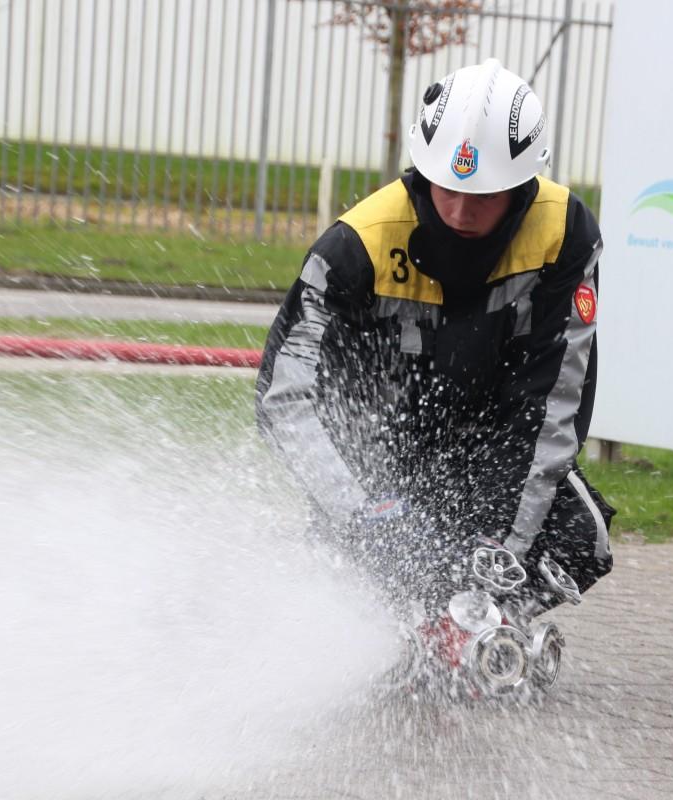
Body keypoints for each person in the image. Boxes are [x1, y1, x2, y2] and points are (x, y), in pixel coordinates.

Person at [254, 59, 614, 617]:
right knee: (388, 571)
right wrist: (360, 519)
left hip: (490, 446)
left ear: (522, 187)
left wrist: (500, 555)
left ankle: (476, 631)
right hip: (378, 457)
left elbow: (552, 406)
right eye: (448, 189)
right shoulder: (355, 247)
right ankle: (392, 620)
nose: (463, 211)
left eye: (486, 196)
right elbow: (285, 400)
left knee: (580, 537)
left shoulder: (565, 235)